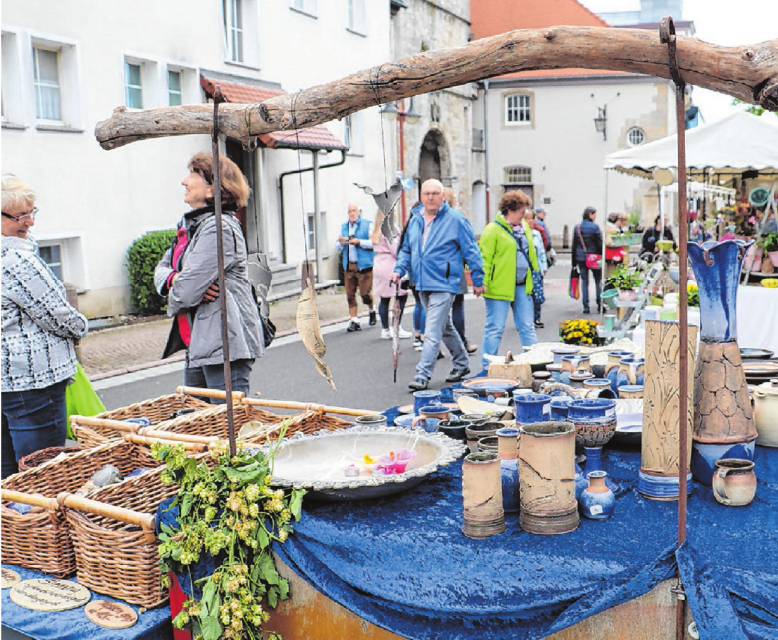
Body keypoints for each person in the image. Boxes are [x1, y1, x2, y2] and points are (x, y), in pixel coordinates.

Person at [154, 152, 262, 401]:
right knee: (198, 425)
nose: (184, 181)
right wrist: (173, 278)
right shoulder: (193, 226)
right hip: (200, 342)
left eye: (193, 174)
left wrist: (182, 283)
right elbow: (161, 270)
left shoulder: (218, 227)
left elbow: (185, 293)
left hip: (224, 344)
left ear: (213, 190)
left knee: (226, 429)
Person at [2, 175, 88, 479]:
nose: (29, 222)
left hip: (7, 383)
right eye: (19, 216)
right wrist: (82, 327)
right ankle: (35, 526)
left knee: (10, 473)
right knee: (42, 475)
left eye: (31, 212)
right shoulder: (15, 259)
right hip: (34, 381)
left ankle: (13, 526)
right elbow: (58, 316)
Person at [391, 179, 485, 391]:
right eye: (427, 193)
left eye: (435, 193)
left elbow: (472, 250)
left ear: (443, 196)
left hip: (445, 282)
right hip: (422, 282)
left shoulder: (456, 220)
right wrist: (399, 269)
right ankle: (461, 364)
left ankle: (422, 374)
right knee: (444, 327)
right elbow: (406, 249)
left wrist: (478, 279)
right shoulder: (416, 219)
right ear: (421, 196)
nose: (431, 197)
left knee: (431, 330)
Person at [479, 191, 540, 372]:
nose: (524, 215)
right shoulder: (492, 229)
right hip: (499, 287)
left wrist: (535, 275)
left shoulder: (523, 227)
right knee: (495, 328)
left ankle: (534, 364)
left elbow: (530, 254)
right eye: (521, 211)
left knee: (527, 327)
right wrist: (481, 282)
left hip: (522, 285)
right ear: (510, 210)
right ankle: (487, 367)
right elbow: (485, 258)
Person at [443, 187, 477, 355]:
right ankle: (462, 341)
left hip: (434, 272)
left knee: (435, 311)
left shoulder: (430, 218)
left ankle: (432, 345)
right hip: (454, 270)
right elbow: (469, 247)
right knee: (457, 307)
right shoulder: (458, 219)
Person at [370, 211, 411, 339]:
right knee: (400, 295)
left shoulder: (376, 230)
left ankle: (385, 329)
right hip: (390, 265)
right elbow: (396, 250)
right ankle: (396, 327)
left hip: (379, 264)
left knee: (384, 298)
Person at [337, 203, 376, 332]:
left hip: (364, 265)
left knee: (365, 293)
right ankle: (354, 320)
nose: (352, 213)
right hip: (349, 265)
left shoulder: (367, 225)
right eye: (349, 211)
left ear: (358, 212)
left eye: (354, 211)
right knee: (349, 294)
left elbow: (374, 243)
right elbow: (338, 245)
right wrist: (341, 242)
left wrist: (359, 242)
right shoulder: (344, 227)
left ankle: (371, 309)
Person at [571, 206, 604, 314]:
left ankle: (586, 306)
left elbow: (574, 245)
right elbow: (599, 243)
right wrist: (601, 255)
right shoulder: (595, 227)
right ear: (590, 215)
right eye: (594, 215)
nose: (595, 217)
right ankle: (600, 304)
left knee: (585, 282)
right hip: (593, 258)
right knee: (597, 280)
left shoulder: (577, 227)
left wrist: (573, 262)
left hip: (580, 257)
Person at [526, 209, 548, 328]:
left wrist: (543, 267)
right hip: (525, 269)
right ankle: (527, 319)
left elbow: (541, 252)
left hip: (536, 268)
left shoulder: (536, 234)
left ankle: (536, 318)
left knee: (537, 295)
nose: (530, 221)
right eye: (527, 218)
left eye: (532, 218)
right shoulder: (520, 234)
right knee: (527, 296)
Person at [604, 212, 629, 281]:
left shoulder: (615, 229)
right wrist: (621, 241)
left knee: (613, 276)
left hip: (613, 256)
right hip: (612, 256)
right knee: (612, 276)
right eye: (619, 220)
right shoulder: (611, 230)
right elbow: (610, 242)